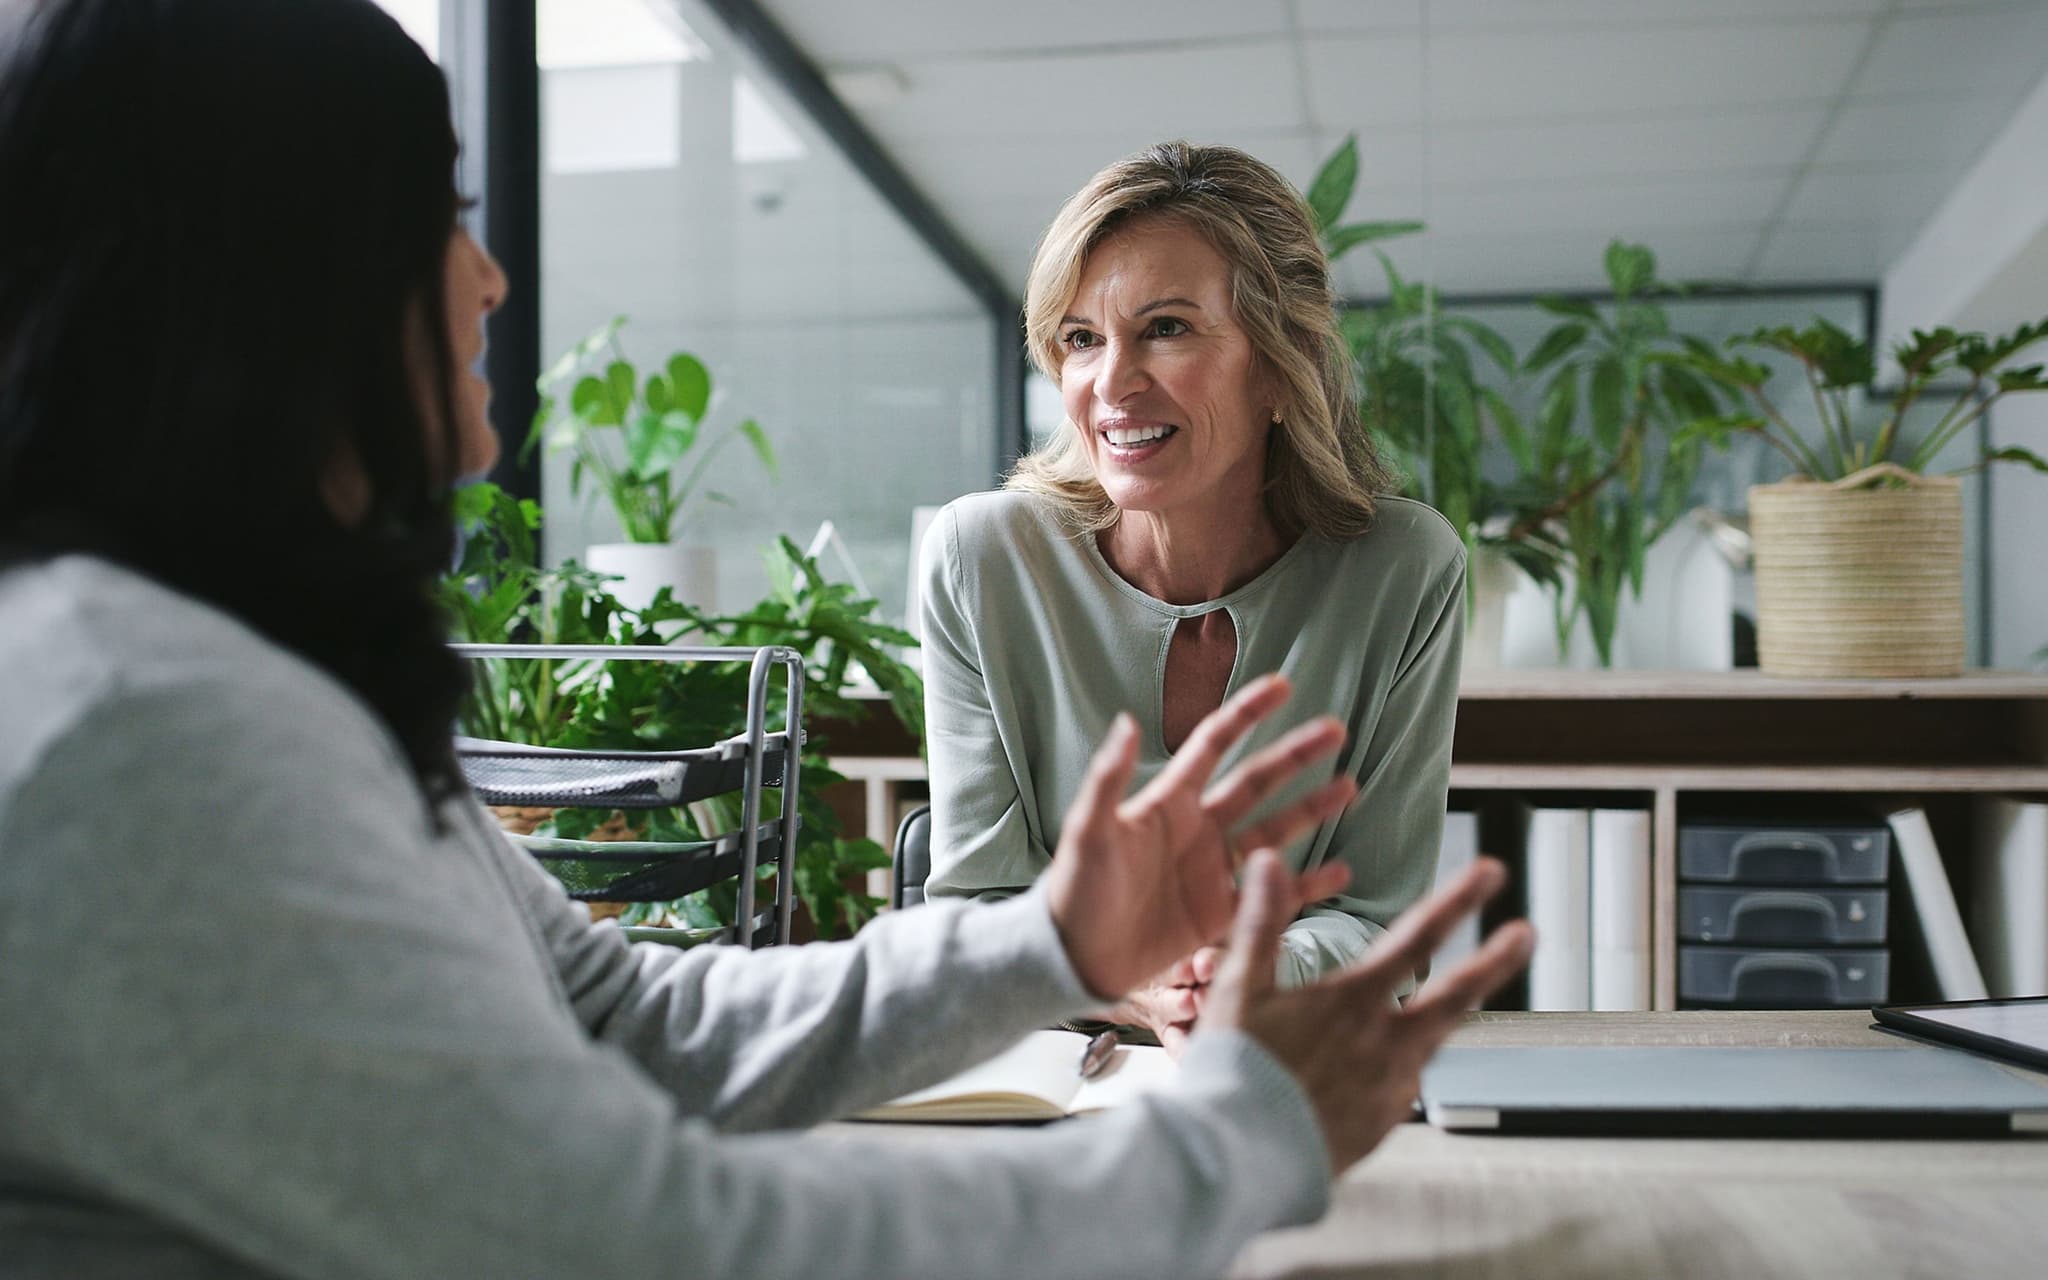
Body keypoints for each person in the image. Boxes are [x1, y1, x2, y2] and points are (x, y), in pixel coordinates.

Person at [0, 3, 1530, 1277]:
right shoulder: (139, 736)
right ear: (271, 285)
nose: (490, 277)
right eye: (441, 220)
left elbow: (629, 1019)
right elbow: (631, 1240)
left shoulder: (245, 676)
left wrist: (1058, 942)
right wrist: (1233, 1144)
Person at [922, 142, 1469, 1048]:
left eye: (1166, 328)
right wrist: (1142, 987)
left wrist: (1250, 974)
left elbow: (1380, 920)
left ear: (1280, 366)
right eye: (1081, 339)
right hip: (1047, 1075)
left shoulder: (1405, 572)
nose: (1111, 384)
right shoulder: (984, 560)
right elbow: (977, 913)